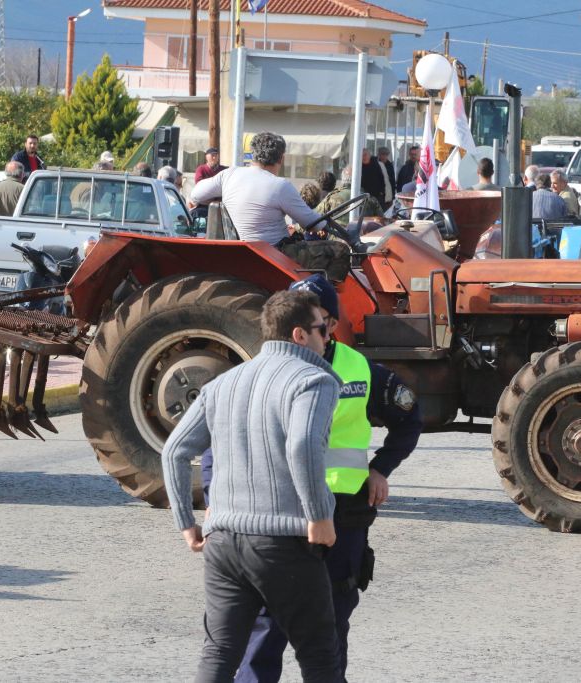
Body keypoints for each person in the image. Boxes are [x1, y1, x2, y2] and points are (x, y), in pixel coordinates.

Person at [202, 274, 422, 683]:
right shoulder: (262, 372)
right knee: (266, 625)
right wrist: (215, 492)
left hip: (341, 513)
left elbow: (410, 418)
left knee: (330, 627)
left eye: (317, 318)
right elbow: (218, 439)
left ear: (330, 325)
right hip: (280, 512)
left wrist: (381, 469)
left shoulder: (362, 371)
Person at [161, 288, 345, 683]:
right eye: (323, 329)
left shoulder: (223, 384)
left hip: (223, 541)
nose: (328, 337)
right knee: (319, 657)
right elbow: (302, 446)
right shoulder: (314, 381)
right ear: (300, 335)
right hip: (283, 541)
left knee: (220, 655)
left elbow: (174, 450)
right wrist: (319, 516)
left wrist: (186, 523)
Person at [189, 132, 325, 245]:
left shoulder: (228, 175)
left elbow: (195, 195)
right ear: (281, 158)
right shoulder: (281, 186)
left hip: (241, 252)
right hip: (276, 255)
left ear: (253, 154)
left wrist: (220, 197)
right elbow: (314, 224)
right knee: (335, 252)